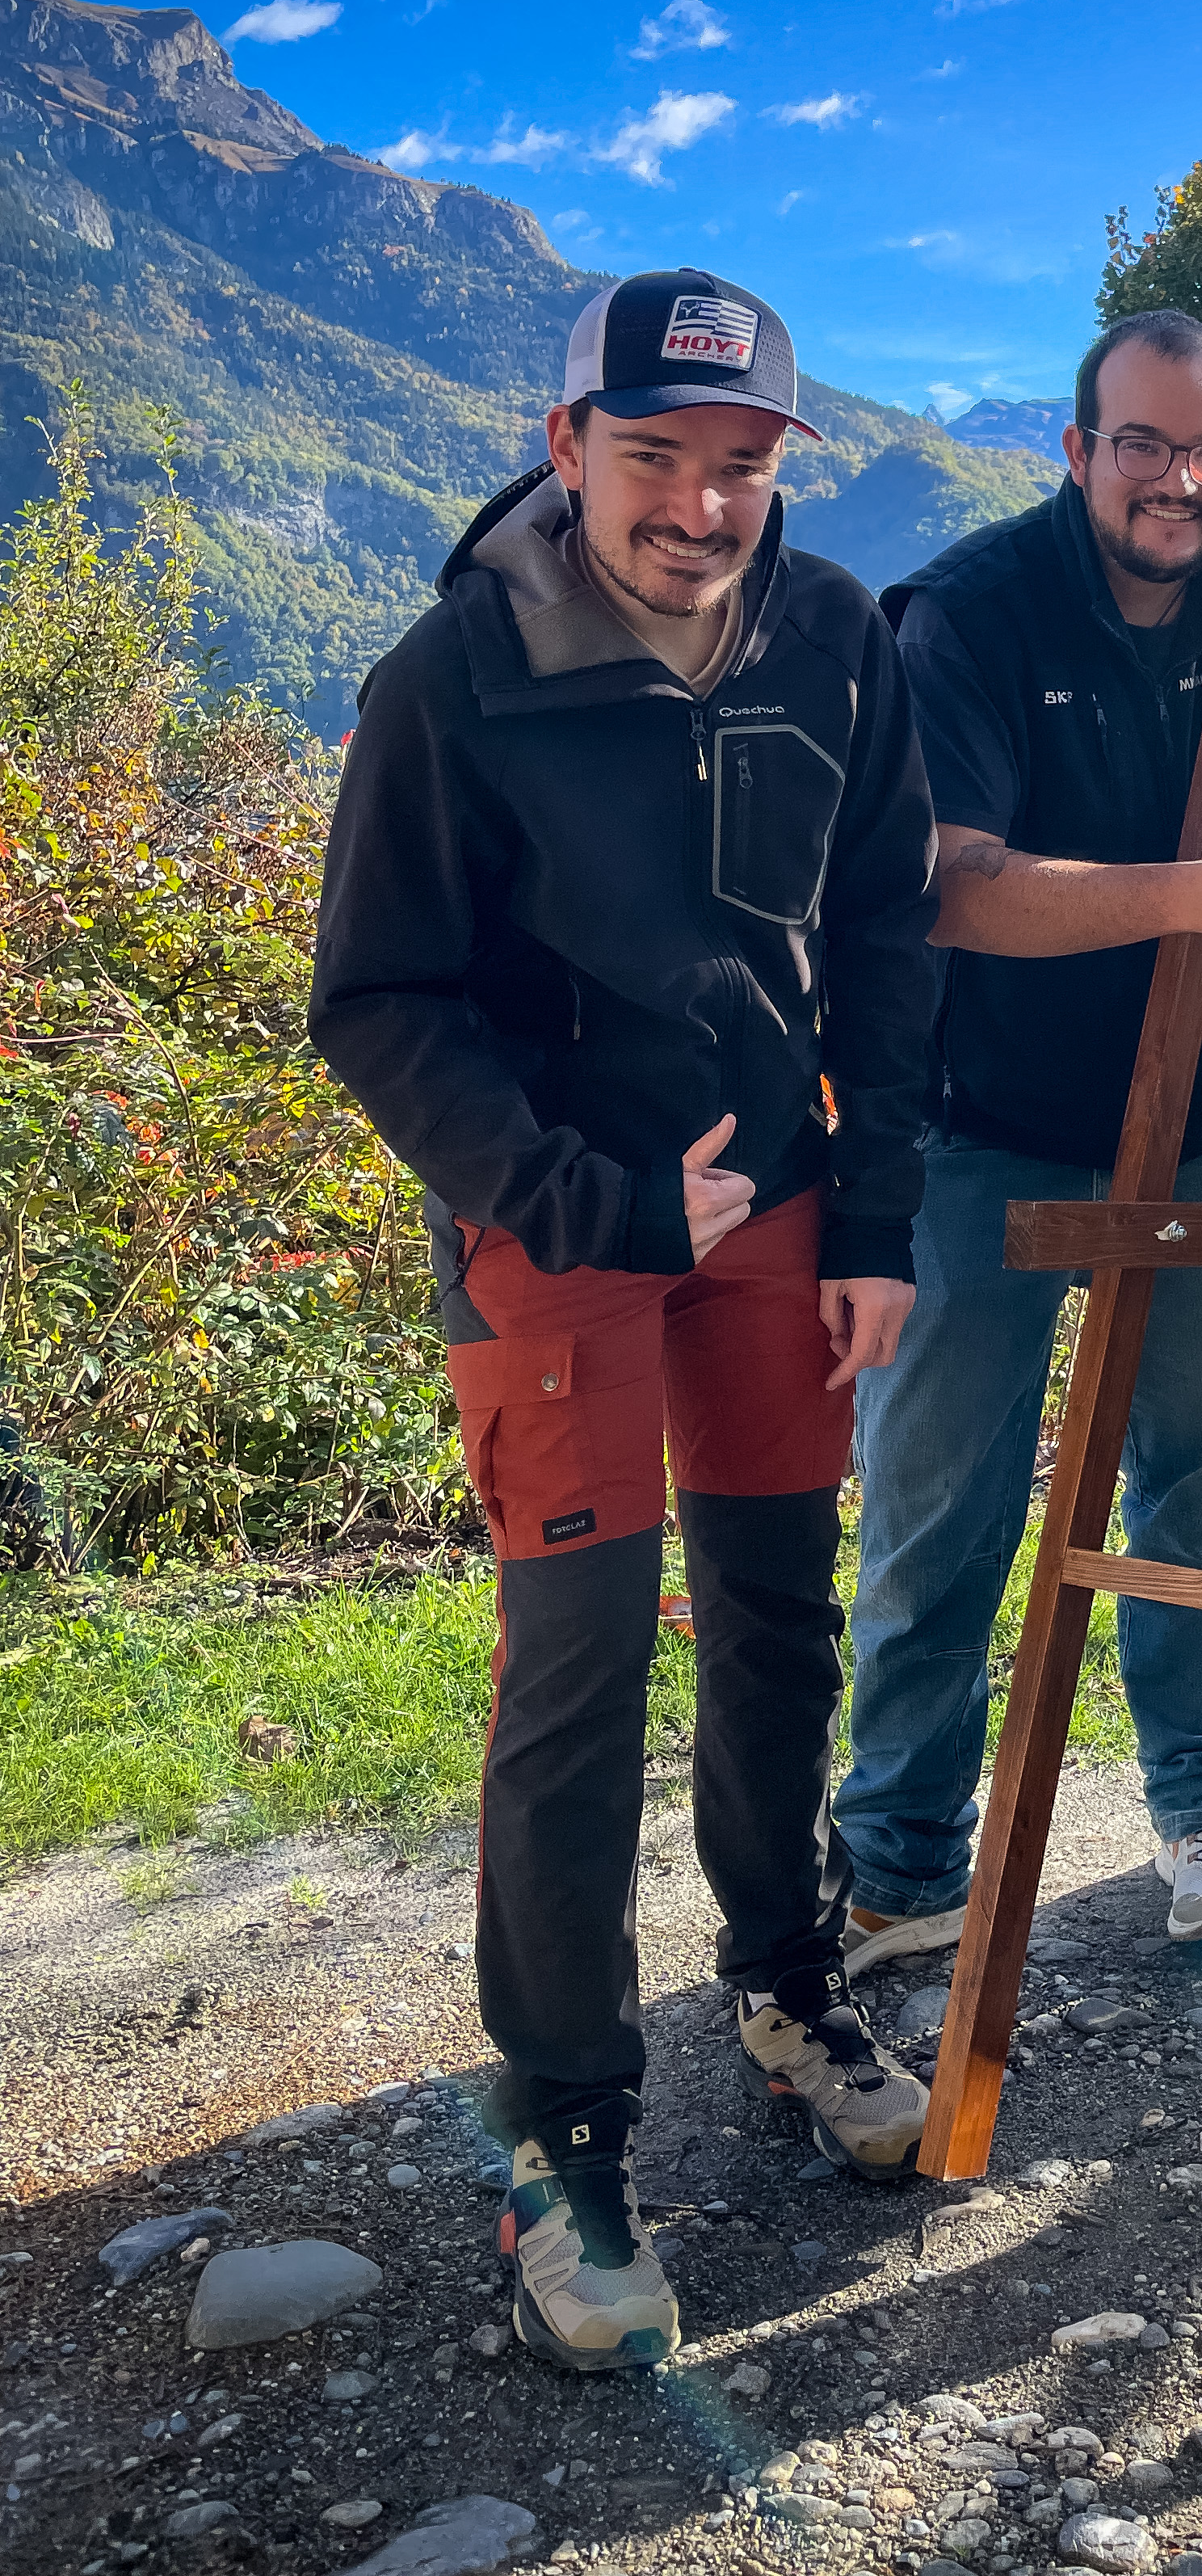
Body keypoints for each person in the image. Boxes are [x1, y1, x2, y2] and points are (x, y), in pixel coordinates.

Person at [310, 269, 938, 2376]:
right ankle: (568, 2133)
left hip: (773, 1214)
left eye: (742, 464)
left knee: (779, 1611)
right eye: (657, 455)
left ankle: (787, 1980)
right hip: (549, 1232)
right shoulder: (454, 682)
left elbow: (879, 934)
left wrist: (878, 1212)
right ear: (566, 441)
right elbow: (381, 1003)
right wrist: (576, 1194)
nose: (700, 503)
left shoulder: (841, 639)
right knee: (574, 1671)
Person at [836, 306, 1202, 1965]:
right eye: (1139, 443)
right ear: (1079, 453)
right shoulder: (969, 614)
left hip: (1201, 1118)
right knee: (943, 1509)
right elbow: (955, 889)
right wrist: (1190, 899)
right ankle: (903, 1866)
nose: (1175, 478)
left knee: (1196, 1487)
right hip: (978, 1132)